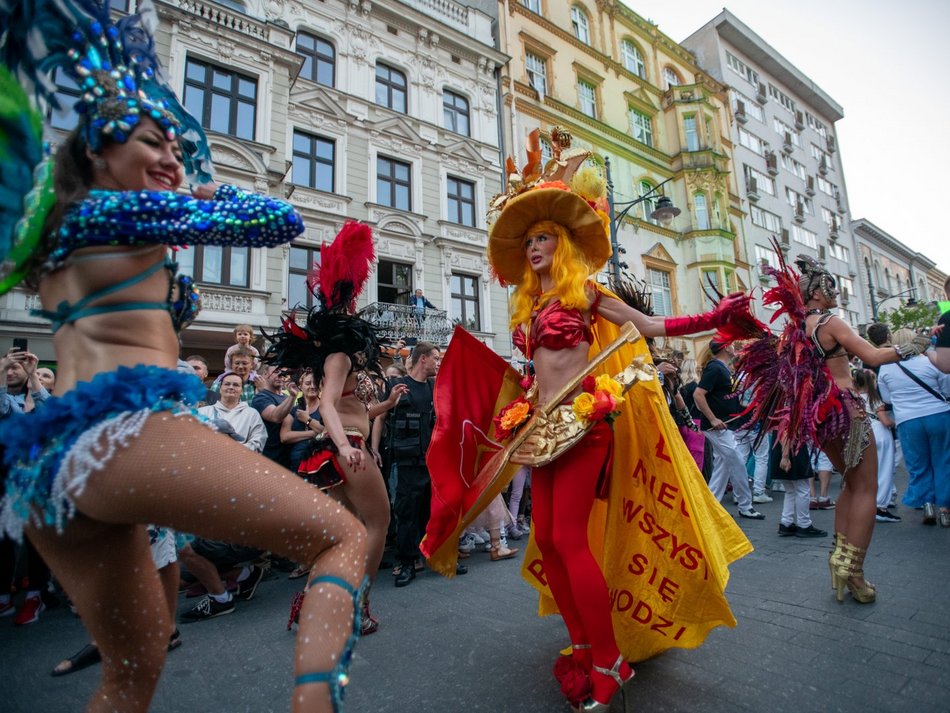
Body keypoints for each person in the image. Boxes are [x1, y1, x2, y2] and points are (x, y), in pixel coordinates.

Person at [0, 4, 368, 711]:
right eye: (150, 142)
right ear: (98, 153)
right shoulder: (116, 213)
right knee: (342, 539)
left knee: (133, 669)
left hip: (53, 477)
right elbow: (278, 221)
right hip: (124, 436)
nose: (170, 157)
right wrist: (209, 190)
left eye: (176, 144)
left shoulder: (55, 235)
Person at [424, 128, 755, 711]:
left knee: (571, 542)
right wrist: (520, 396)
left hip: (583, 423)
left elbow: (649, 327)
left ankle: (610, 658)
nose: (534, 247)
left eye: (544, 237)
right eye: (528, 241)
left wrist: (715, 318)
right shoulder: (530, 305)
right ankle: (581, 644)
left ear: (563, 244)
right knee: (549, 542)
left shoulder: (586, 295)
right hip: (540, 426)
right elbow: (536, 368)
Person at [738, 249, 923, 604]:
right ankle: (855, 574)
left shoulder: (794, 331)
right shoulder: (830, 322)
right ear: (818, 294)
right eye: (831, 286)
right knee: (866, 489)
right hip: (847, 411)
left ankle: (839, 563)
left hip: (823, 420)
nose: (836, 292)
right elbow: (874, 356)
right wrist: (920, 343)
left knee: (851, 487)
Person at [264, 221, 408, 635]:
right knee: (378, 523)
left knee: (345, 532)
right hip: (348, 449)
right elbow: (327, 404)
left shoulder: (338, 355)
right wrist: (346, 446)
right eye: (352, 298)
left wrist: (388, 404)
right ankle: (359, 604)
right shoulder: (340, 355)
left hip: (337, 446)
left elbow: (354, 409)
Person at [877, 331, 950, 527]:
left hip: (907, 420)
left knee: (918, 465)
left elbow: (887, 399)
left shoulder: (886, 368)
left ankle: (927, 505)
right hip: (938, 415)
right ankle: (945, 509)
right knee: (943, 461)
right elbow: (946, 389)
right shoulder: (930, 361)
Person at [693, 338, 766, 520]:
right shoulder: (715, 368)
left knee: (723, 466)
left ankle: (712, 505)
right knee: (737, 462)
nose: (735, 346)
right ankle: (745, 506)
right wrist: (713, 418)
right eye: (731, 344)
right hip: (717, 426)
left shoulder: (724, 369)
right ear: (725, 348)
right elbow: (698, 394)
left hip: (726, 425)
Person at [851, 369, 900, 523]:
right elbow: (885, 421)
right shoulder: (875, 399)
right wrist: (896, 423)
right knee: (885, 470)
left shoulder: (854, 398)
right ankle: (880, 507)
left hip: (862, 433)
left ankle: (864, 503)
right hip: (880, 433)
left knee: (866, 471)